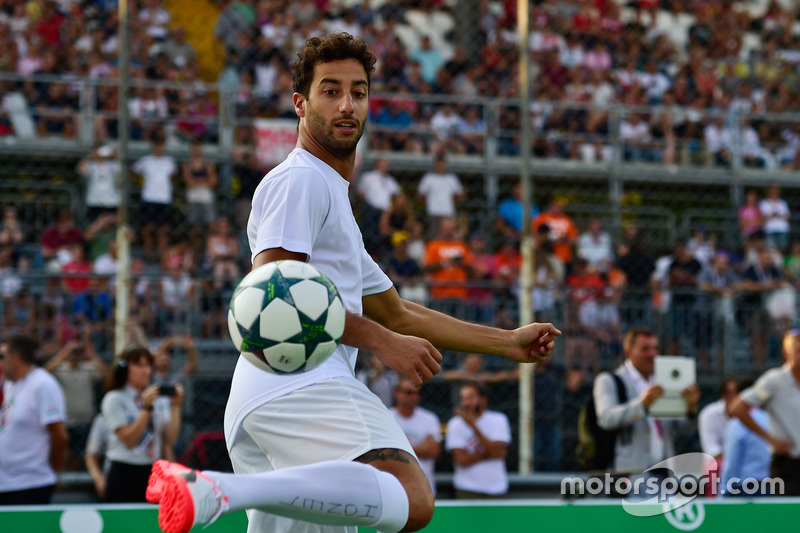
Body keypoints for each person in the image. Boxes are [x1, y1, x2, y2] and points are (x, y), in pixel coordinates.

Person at [150, 33, 559, 533]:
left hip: (266, 395)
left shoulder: (331, 195)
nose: (347, 104)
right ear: (300, 104)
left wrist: (506, 342)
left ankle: (216, 491)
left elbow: (397, 312)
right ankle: (217, 487)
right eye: (330, 90)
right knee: (411, 497)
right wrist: (383, 343)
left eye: (359, 92)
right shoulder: (299, 179)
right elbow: (275, 295)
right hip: (301, 378)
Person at [593, 327, 700, 474]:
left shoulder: (663, 380)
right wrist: (642, 404)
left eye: (655, 348)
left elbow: (682, 430)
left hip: (664, 473)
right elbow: (606, 418)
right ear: (628, 352)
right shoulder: (609, 380)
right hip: (629, 474)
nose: (652, 354)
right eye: (645, 349)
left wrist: (689, 410)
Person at [101, 347, 184, 503]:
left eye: (148, 365)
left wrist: (176, 406)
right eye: (139, 365)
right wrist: (146, 408)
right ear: (125, 368)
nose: (145, 371)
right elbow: (129, 439)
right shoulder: (114, 398)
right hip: (124, 470)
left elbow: (170, 439)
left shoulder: (155, 397)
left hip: (152, 470)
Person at [729, 329, 800, 496]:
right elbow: (738, 407)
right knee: (787, 518)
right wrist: (770, 439)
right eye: (797, 351)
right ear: (785, 353)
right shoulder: (775, 381)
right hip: (788, 465)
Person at [0, 335, 68, 505]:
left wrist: (52, 471)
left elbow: (59, 436)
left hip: (31, 484)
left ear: (14, 358)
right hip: (6, 483)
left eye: (2, 357)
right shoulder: (10, 384)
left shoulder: (43, 384)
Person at [44, 337, 109, 471]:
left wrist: (91, 355)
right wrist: (64, 353)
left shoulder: (88, 369)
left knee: (80, 455)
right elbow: (44, 374)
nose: (76, 354)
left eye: (78, 351)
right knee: (66, 453)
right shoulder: (61, 369)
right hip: (67, 420)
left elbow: (107, 376)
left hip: (85, 419)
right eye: (74, 351)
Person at [445, 381, 511, 498]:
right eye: (463, 398)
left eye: (470, 398)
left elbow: (498, 453)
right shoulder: (455, 424)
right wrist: (489, 453)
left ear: (483, 399)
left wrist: (473, 426)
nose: (465, 403)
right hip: (467, 488)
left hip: (497, 489)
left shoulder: (499, 419)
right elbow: (461, 460)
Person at [390, 378, 441, 495]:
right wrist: (422, 448)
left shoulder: (430, 419)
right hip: (394, 488)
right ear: (396, 393)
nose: (413, 397)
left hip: (424, 488)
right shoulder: (385, 416)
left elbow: (434, 451)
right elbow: (381, 451)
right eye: (408, 392)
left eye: (417, 393)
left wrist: (397, 449)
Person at [720, 382, 771, 497]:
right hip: (769, 487)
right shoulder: (769, 420)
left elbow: (731, 466)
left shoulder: (736, 424)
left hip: (742, 490)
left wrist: (723, 493)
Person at [77, 144, 121, 222]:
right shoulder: (92, 166)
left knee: (112, 224)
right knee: (94, 224)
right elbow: (80, 169)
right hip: (95, 201)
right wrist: (90, 157)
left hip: (110, 201)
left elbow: (122, 170)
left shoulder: (112, 165)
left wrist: (115, 156)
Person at [84, 412, 111, 501]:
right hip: (114, 478)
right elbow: (91, 455)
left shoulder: (155, 412)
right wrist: (98, 479)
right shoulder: (103, 419)